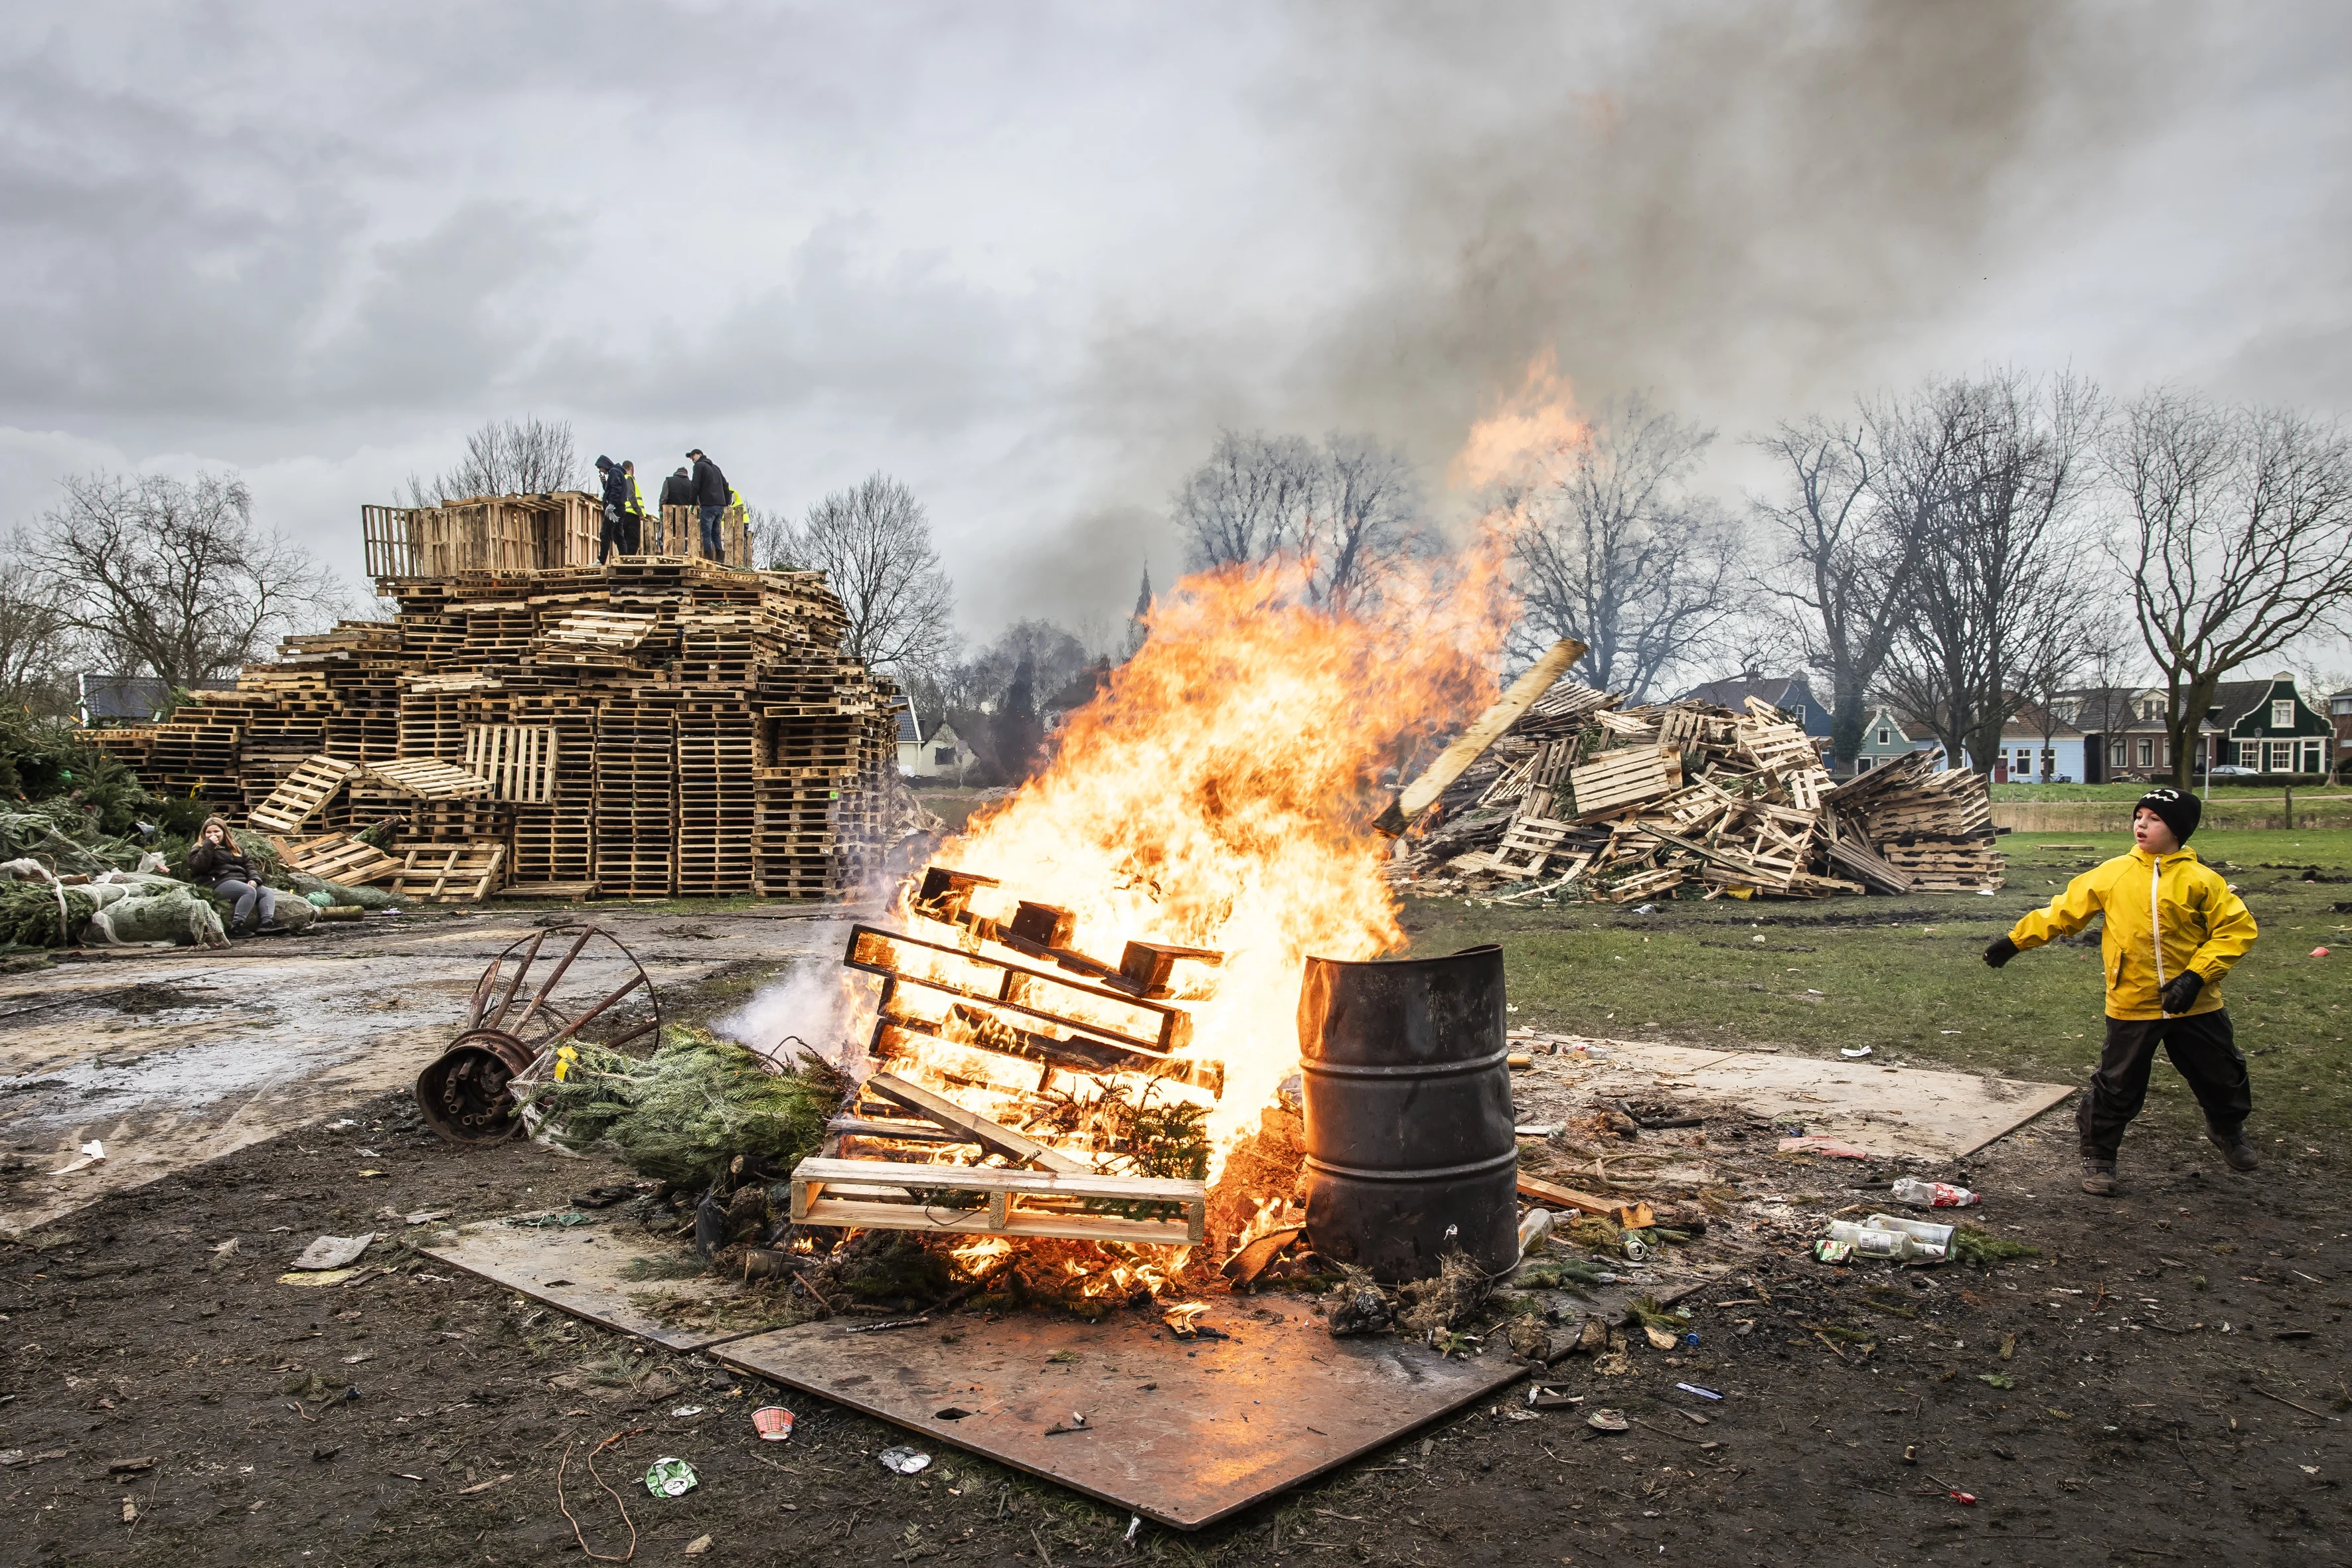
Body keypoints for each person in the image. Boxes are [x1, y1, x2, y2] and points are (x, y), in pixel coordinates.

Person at [1983, 787, 2259, 1196]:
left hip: (2196, 1003)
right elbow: (2063, 912)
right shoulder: (2113, 874)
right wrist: (2014, 941)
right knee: (2118, 1083)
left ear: (2179, 829)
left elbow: (2236, 931)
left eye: (2154, 819)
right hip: (2132, 1000)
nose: (2141, 824)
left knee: (2222, 1076)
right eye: (2139, 816)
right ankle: (2099, 1154)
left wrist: (2197, 976)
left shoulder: (2204, 881)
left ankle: (2228, 1131)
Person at [188, 815, 276, 936]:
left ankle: (267, 924)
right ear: (204, 834)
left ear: (224, 832)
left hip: (239, 881)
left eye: (216, 831)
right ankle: (237, 926)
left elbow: (249, 866)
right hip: (215, 884)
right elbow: (198, 868)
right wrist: (208, 846)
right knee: (248, 891)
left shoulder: (236, 848)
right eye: (209, 832)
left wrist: (253, 879)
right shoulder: (199, 848)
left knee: (267, 892)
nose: (212, 834)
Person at [688, 447, 728, 561]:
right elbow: (725, 485)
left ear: (700, 455)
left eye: (693, 455)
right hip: (719, 505)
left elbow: (695, 485)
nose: (691, 458)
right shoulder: (716, 468)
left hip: (708, 505)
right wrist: (726, 502)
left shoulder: (699, 466)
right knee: (716, 533)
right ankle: (720, 560)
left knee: (706, 534)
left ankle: (709, 560)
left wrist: (692, 502)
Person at [595, 454, 633, 564]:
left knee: (605, 533)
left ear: (604, 465)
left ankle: (601, 560)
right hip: (620, 508)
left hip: (614, 509)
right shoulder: (618, 472)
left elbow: (616, 488)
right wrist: (605, 484)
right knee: (618, 535)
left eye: (600, 468)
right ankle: (625, 560)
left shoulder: (613, 472)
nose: (601, 471)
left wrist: (611, 505)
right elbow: (614, 489)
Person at [621, 460, 647, 555]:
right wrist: (639, 512)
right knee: (633, 542)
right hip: (631, 514)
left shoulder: (620, 479)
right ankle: (629, 563)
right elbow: (631, 496)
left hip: (623, 513)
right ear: (632, 468)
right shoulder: (628, 478)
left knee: (625, 540)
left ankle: (625, 560)